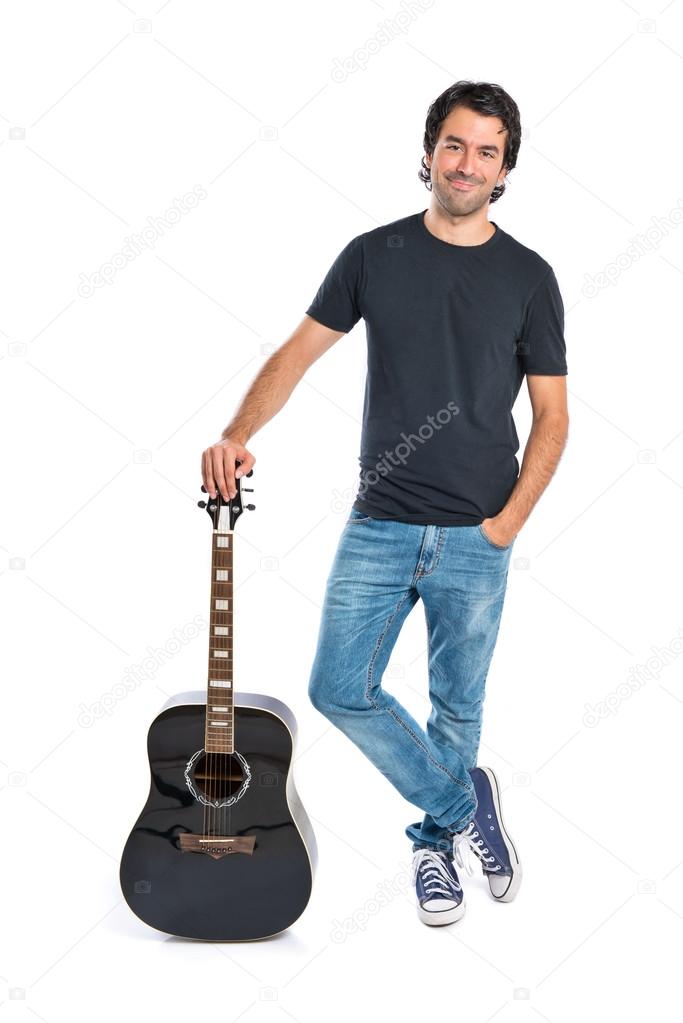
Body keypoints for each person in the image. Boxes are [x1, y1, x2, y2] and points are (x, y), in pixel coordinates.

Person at [201, 80, 569, 927]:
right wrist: (236, 432)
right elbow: (295, 355)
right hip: (380, 522)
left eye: (485, 150)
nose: (466, 163)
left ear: (505, 167)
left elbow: (551, 417)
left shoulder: (528, 277)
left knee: (457, 706)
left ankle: (430, 849)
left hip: (479, 530)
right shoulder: (373, 254)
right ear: (428, 151)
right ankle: (462, 803)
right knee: (337, 686)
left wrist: (506, 523)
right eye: (453, 144)